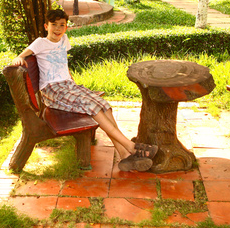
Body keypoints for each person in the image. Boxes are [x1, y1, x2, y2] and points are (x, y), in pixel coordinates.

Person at [12, 9, 158, 172]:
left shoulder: (64, 40)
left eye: (62, 25)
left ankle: (123, 154)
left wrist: (72, 83)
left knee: (105, 106)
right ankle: (131, 147)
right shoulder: (40, 43)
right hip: (52, 90)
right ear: (46, 26)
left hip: (68, 86)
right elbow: (21, 55)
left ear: (66, 27)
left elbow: (62, 64)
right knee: (93, 108)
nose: (58, 29)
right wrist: (19, 58)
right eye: (54, 25)